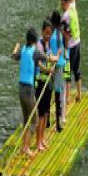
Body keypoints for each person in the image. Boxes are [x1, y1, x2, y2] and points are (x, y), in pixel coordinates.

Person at [11, 28, 56, 157]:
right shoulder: (34, 51)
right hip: (29, 90)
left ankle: (23, 147)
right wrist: (57, 57)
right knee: (35, 120)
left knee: (26, 119)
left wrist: (16, 47)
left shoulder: (23, 49)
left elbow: (14, 56)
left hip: (20, 89)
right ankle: (25, 148)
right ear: (35, 40)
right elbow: (48, 58)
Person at [35, 19, 54, 151]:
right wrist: (48, 70)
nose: (48, 36)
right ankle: (37, 142)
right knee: (40, 114)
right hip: (41, 82)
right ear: (42, 32)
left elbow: (50, 57)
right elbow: (39, 64)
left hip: (48, 82)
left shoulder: (48, 45)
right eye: (46, 33)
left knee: (46, 112)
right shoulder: (39, 45)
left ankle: (43, 138)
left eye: (50, 33)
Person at [61, 0, 82, 104]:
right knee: (77, 70)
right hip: (78, 43)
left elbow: (64, 34)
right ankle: (79, 94)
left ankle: (67, 98)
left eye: (62, 3)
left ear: (65, 2)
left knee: (67, 72)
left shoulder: (65, 16)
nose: (61, 6)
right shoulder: (73, 7)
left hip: (70, 47)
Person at [50, 11, 67, 132]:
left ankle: (48, 121)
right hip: (59, 65)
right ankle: (58, 123)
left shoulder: (51, 34)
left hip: (52, 64)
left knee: (52, 92)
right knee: (58, 93)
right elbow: (63, 49)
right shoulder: (58, 35)